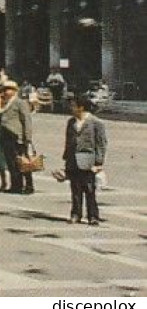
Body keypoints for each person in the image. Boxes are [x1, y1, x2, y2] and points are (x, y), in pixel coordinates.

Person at [62, 94, 107, 225]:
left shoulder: (96, 123)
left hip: (88, 159)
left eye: (73, 106)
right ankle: (76, 214)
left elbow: (101, 143)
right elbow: (68, 142)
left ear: (81, 107)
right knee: (75, 188)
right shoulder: (71, 122)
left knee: (89, 189)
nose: (71, 108)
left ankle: (93, 216)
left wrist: (99, 162)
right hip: (73, 160)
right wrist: (66, 159)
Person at [0, 80, 36, 194]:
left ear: (14, 91)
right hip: (6, 135)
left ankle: (28, 186)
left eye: (8, 89)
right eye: (4, 90)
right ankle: (16, 185)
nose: (5, 92)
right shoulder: (5, 103)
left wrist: (27, 137)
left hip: (17, 136)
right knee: (11, 162)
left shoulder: (20, 102)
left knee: (23, 162)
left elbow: (26, 120)